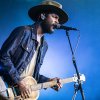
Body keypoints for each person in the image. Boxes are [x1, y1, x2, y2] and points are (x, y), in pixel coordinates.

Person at [0, 0, 68, 99]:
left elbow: (32, 75)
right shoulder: (23, 31)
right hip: (5, 87)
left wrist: (49, 81)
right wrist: (19, 82)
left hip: (18, 94)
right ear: (43, 15)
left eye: (58, 19)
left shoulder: (44, 46)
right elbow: (3, 57)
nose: (57, 22)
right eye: (54, 17)